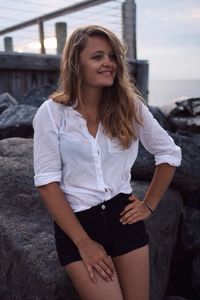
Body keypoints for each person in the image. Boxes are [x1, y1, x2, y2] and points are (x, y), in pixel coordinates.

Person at [33, 25, 182, 300]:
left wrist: (149, 205)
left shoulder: (130, 106)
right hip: (78, 224)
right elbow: (46, 183)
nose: (108, 63)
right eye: (97, 56)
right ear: (76, 63)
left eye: (113, 56)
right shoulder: (52, 113)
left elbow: (169, 153)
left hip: (123, 217)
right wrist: (83, 242)